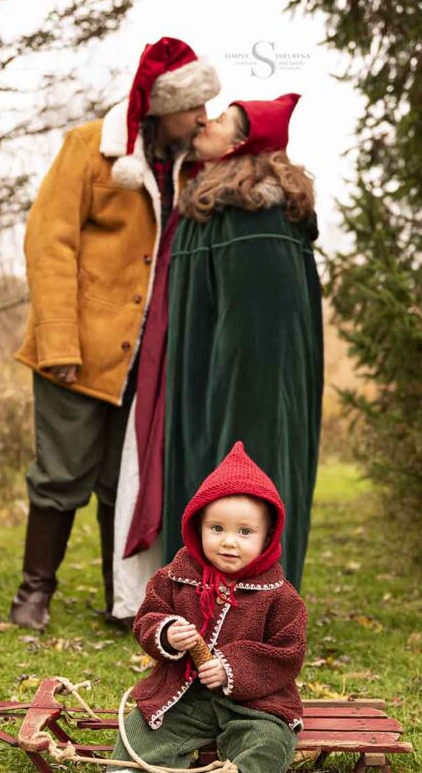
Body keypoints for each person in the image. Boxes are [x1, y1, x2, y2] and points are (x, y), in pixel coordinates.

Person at [10, 37, 220, 631]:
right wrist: (57, 343)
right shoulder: (88, 149)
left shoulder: (192, 166)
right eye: (193, 106)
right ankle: (33, 597)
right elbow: (48, 243)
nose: (204, 117)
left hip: (149, 360)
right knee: (61, 472)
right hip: (78, 347)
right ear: (160, 106)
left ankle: (119, 600)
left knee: (117, 482)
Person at [114, 95, 322, 614]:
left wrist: (234, 416)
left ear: (239, 144)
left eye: (222, 121)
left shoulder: (259, 215)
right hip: (202, 378)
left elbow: (260, 335)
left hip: (243, 392)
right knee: (204, 479)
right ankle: (201, 607)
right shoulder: (214, 205)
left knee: (250, 479)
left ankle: (255, 615)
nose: (206, 122)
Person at [76, 441, 307, 773]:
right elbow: (148, 616)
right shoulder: (176, 576)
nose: (228, 542)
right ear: (197, 527)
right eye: (216, 529)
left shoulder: (280, 596)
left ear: (269, 535)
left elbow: (288, 653)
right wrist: (165, 633)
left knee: (268, 743)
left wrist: (232, 667)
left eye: (245, 532)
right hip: (184, 695)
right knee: (143, 726)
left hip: (257, 702)